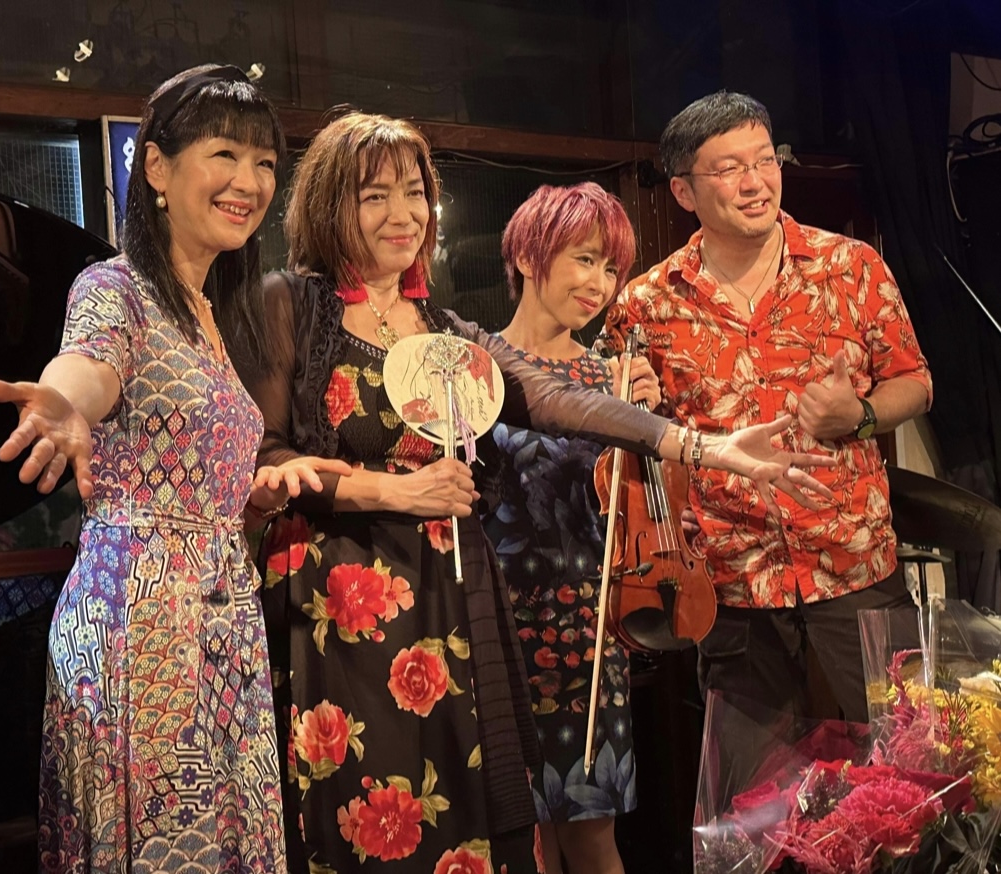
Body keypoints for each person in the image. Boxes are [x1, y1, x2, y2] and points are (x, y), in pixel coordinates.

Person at [231, 110, 835, 874]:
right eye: (374, 196)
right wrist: (396, 492)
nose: (403, 214)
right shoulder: (288, 303)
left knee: (461, 812)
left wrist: (703, 446)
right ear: (329, 205)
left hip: (449, 600)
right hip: (341, 602)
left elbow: (554, 398)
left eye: (414, 193)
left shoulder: (444, 329)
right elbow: (266, 458)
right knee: (362, 811)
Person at [0, 64, 347, 873]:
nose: (249, 182)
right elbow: (87, 366)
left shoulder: (217, 312)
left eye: (264, 164)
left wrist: (254, 496)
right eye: (224, 154)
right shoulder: (115, 289)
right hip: (142, 628)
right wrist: (65, 403)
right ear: (156, 167)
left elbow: (191, 472)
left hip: (223, 621)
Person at [610, 91, 933, 725]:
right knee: (752, 779)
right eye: (729, 168)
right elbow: (645, 439)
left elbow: (915, 382)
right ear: (683, 191)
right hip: (731, 578)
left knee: (910, 751)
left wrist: (861, 414)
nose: (756, 182)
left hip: (853, 560)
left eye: (765, 159)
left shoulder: (851, 267)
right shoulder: (646, 304)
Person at [481, 182, 660, 874]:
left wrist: (643, 426)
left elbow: (638, 513)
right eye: (585, 260)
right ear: (529, 256)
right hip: (498, 626)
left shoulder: (611, 377)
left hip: (587, 626)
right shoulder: (479, 369)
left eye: (611, 268)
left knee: (592, 835)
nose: (600, 285)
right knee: (521, 844)